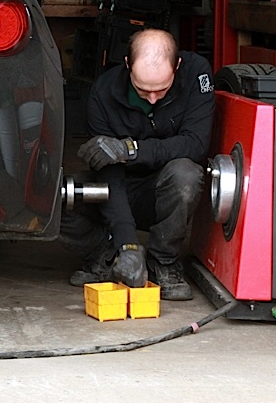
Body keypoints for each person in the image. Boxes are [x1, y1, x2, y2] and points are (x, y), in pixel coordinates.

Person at [60, 28, 214, 300]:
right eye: (142, 89)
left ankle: (163, 262)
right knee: (55, 198)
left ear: (177, 66)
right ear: (128, 65)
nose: (152, 98)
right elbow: (111, 177)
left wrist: (131, 149)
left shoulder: (196, 74)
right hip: (122, 189)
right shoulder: (103, 94)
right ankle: (106, 258)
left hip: (165, 190)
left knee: (186, 175)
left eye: (161, 90)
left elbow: (195, 144)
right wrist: (127, 244)